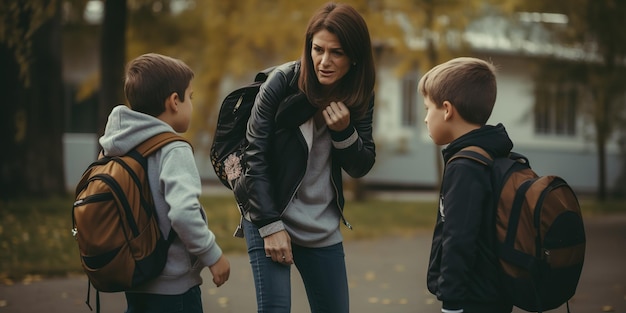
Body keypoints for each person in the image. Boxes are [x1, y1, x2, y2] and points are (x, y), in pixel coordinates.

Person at [233, 2, 376, 312]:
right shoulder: (281, 83)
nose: (324, 61)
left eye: (336, 52)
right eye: (318, 49)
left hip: (321, 226)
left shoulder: (360, 93)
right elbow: (253, 157)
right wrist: (270, 226)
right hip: (269, 212)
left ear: (354, 57)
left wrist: (343, 132)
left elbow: (361, 164)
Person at [99, 53, 230, 313]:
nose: (191, 104)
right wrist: (212, 255)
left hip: (135, 276)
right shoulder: (173, 149)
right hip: (173, 288)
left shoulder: (115, 145)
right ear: (174, 101)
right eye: (189, 97)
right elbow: (183, 212)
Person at [418, 57, 514, 313]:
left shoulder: (465, 166)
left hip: (473, 299)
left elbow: (458, 238)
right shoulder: (492, 154)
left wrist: (451, 303)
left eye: (428, 108)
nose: (426, 119)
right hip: (495, 292)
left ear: (447, 110)